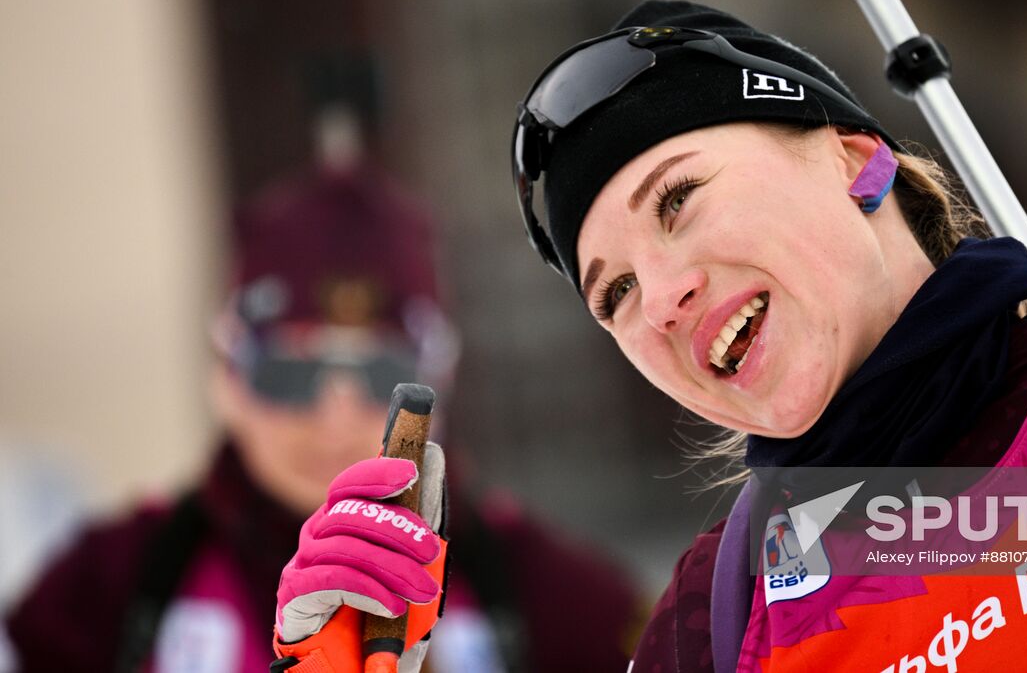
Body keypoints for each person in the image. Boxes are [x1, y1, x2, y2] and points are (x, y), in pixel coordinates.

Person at [275, 0, 1027, 671]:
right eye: (610, 295)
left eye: (678, 200)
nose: (656, 298)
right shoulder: (722, 621)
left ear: (853, 156)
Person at [4, 151, 640, 672]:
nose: (335, 420)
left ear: (436, 386)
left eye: (382, 376)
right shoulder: (105, 589)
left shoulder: (556, 601)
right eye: (290, 373)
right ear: (226, 380)